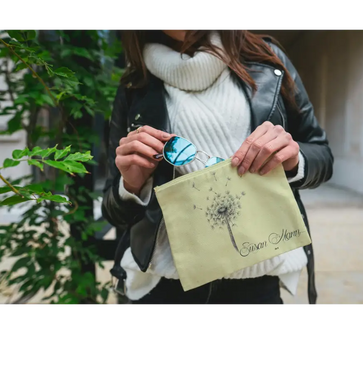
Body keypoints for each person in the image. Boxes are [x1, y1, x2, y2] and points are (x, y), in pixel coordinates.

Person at [102, 27, 333, 307]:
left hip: (256, 279)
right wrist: (131, 186)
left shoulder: (267, 60)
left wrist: (294, 159)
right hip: (164, 287)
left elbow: (321, 154)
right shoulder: (135, 85)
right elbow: (114, 210)